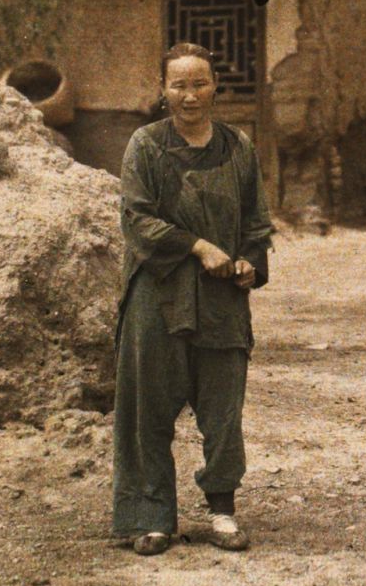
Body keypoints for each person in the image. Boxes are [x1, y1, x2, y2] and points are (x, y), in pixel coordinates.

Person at [111, 41, 274, 556]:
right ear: (163, 90)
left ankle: (222, 511)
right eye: (178, 85)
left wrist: (249, 263)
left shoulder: (238, 146)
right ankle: (150, 515)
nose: (189, 95)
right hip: (157, 295)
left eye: (199, 83)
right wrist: (197, 246)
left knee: (223, 407)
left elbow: (255, 222)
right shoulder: (145, 145)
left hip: (222, 298)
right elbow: (136, 218)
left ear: (215, 87)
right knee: (148, 407)